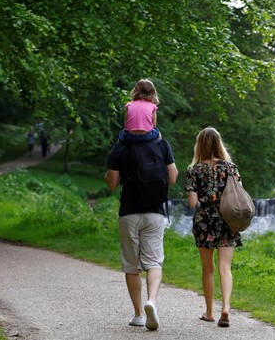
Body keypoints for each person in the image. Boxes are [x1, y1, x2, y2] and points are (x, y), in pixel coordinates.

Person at [104, 134, 177, 331]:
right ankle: (151, 301)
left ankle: (138, 315)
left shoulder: (120, 146)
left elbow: (111, 183)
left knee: (131, 265)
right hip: (155, 213)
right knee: (154, 262)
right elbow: (173, 177)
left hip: (129, 213)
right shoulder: (162, 144)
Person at [185, 127, 243, 328]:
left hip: (204, 221)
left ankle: (209, 312)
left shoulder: (194, 170)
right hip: (228, 220)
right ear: (219, 144)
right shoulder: (230, 168)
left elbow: (193, 203)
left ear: (199, 145)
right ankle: (225, 307)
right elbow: (238, 194)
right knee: (225, 268)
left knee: (208, 269)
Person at [118, 79, 161, 144]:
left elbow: (125, 123)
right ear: (153, 92)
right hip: (146, 136)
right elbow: (154, 125)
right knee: (158, 133)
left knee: (121, 134)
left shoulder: (129, 105)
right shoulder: (153, 106)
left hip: (130, 136)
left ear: (135, 91)